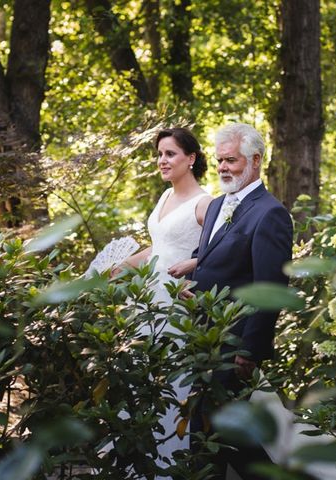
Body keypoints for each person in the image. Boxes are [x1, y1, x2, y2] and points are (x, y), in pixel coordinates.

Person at [184, 123, 293, 480]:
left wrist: (250, 350)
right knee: (210, 432)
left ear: (256, 160)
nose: (222, 168)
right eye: (219, 161)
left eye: (230, 160)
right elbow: (210, 259)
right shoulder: (216, 206)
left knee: (221, 432)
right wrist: (193, 285)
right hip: (204, 340)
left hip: (235, 345)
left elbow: (269, 285)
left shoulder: (270, 213)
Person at [112, 127, 212, 472]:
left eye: (170, 154)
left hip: (176, 302)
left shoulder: (206, 203)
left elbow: (224, 253)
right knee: (140, 378)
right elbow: (159, 247)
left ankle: (172, 464)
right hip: (146, 302)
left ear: (191, 159)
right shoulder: (164, 198)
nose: (162, 161)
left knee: (171, 382)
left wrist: (196, 268)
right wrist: (121, 265)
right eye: (159, 154)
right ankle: (135, 461)